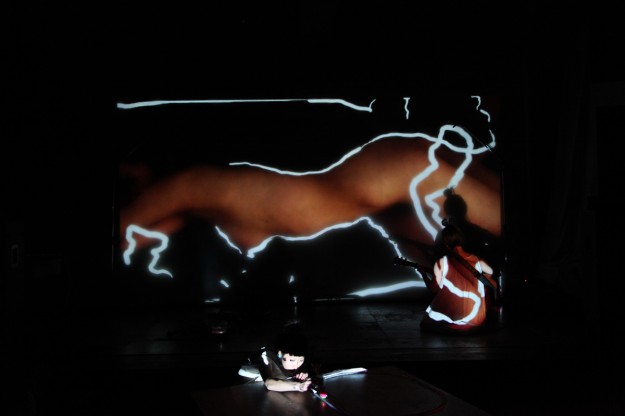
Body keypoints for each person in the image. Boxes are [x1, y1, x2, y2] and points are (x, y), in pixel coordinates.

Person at [118, 132, 502, 272]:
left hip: (398, 170)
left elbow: (127, 227)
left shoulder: (186, 185)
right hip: (390, 171)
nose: (127, 179)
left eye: (126, 173)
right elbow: (147, 232)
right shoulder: (194, 193)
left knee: (506, 219)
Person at [420, 223, 498, 334]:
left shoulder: (442, 262)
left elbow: (433, 289)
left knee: (428, 319)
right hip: (476, 318)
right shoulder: (476, 259)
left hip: (453, 318)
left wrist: (423, 274)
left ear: (445, 243)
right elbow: (491, 272)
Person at [246, 321, 313, 392]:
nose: (296, 366)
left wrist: (301, 377)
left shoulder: (297, 362)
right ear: (280, 353)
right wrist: (298, 386)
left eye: (301, 360)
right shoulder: (266, 356)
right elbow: (269, 384)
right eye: (292, 360)